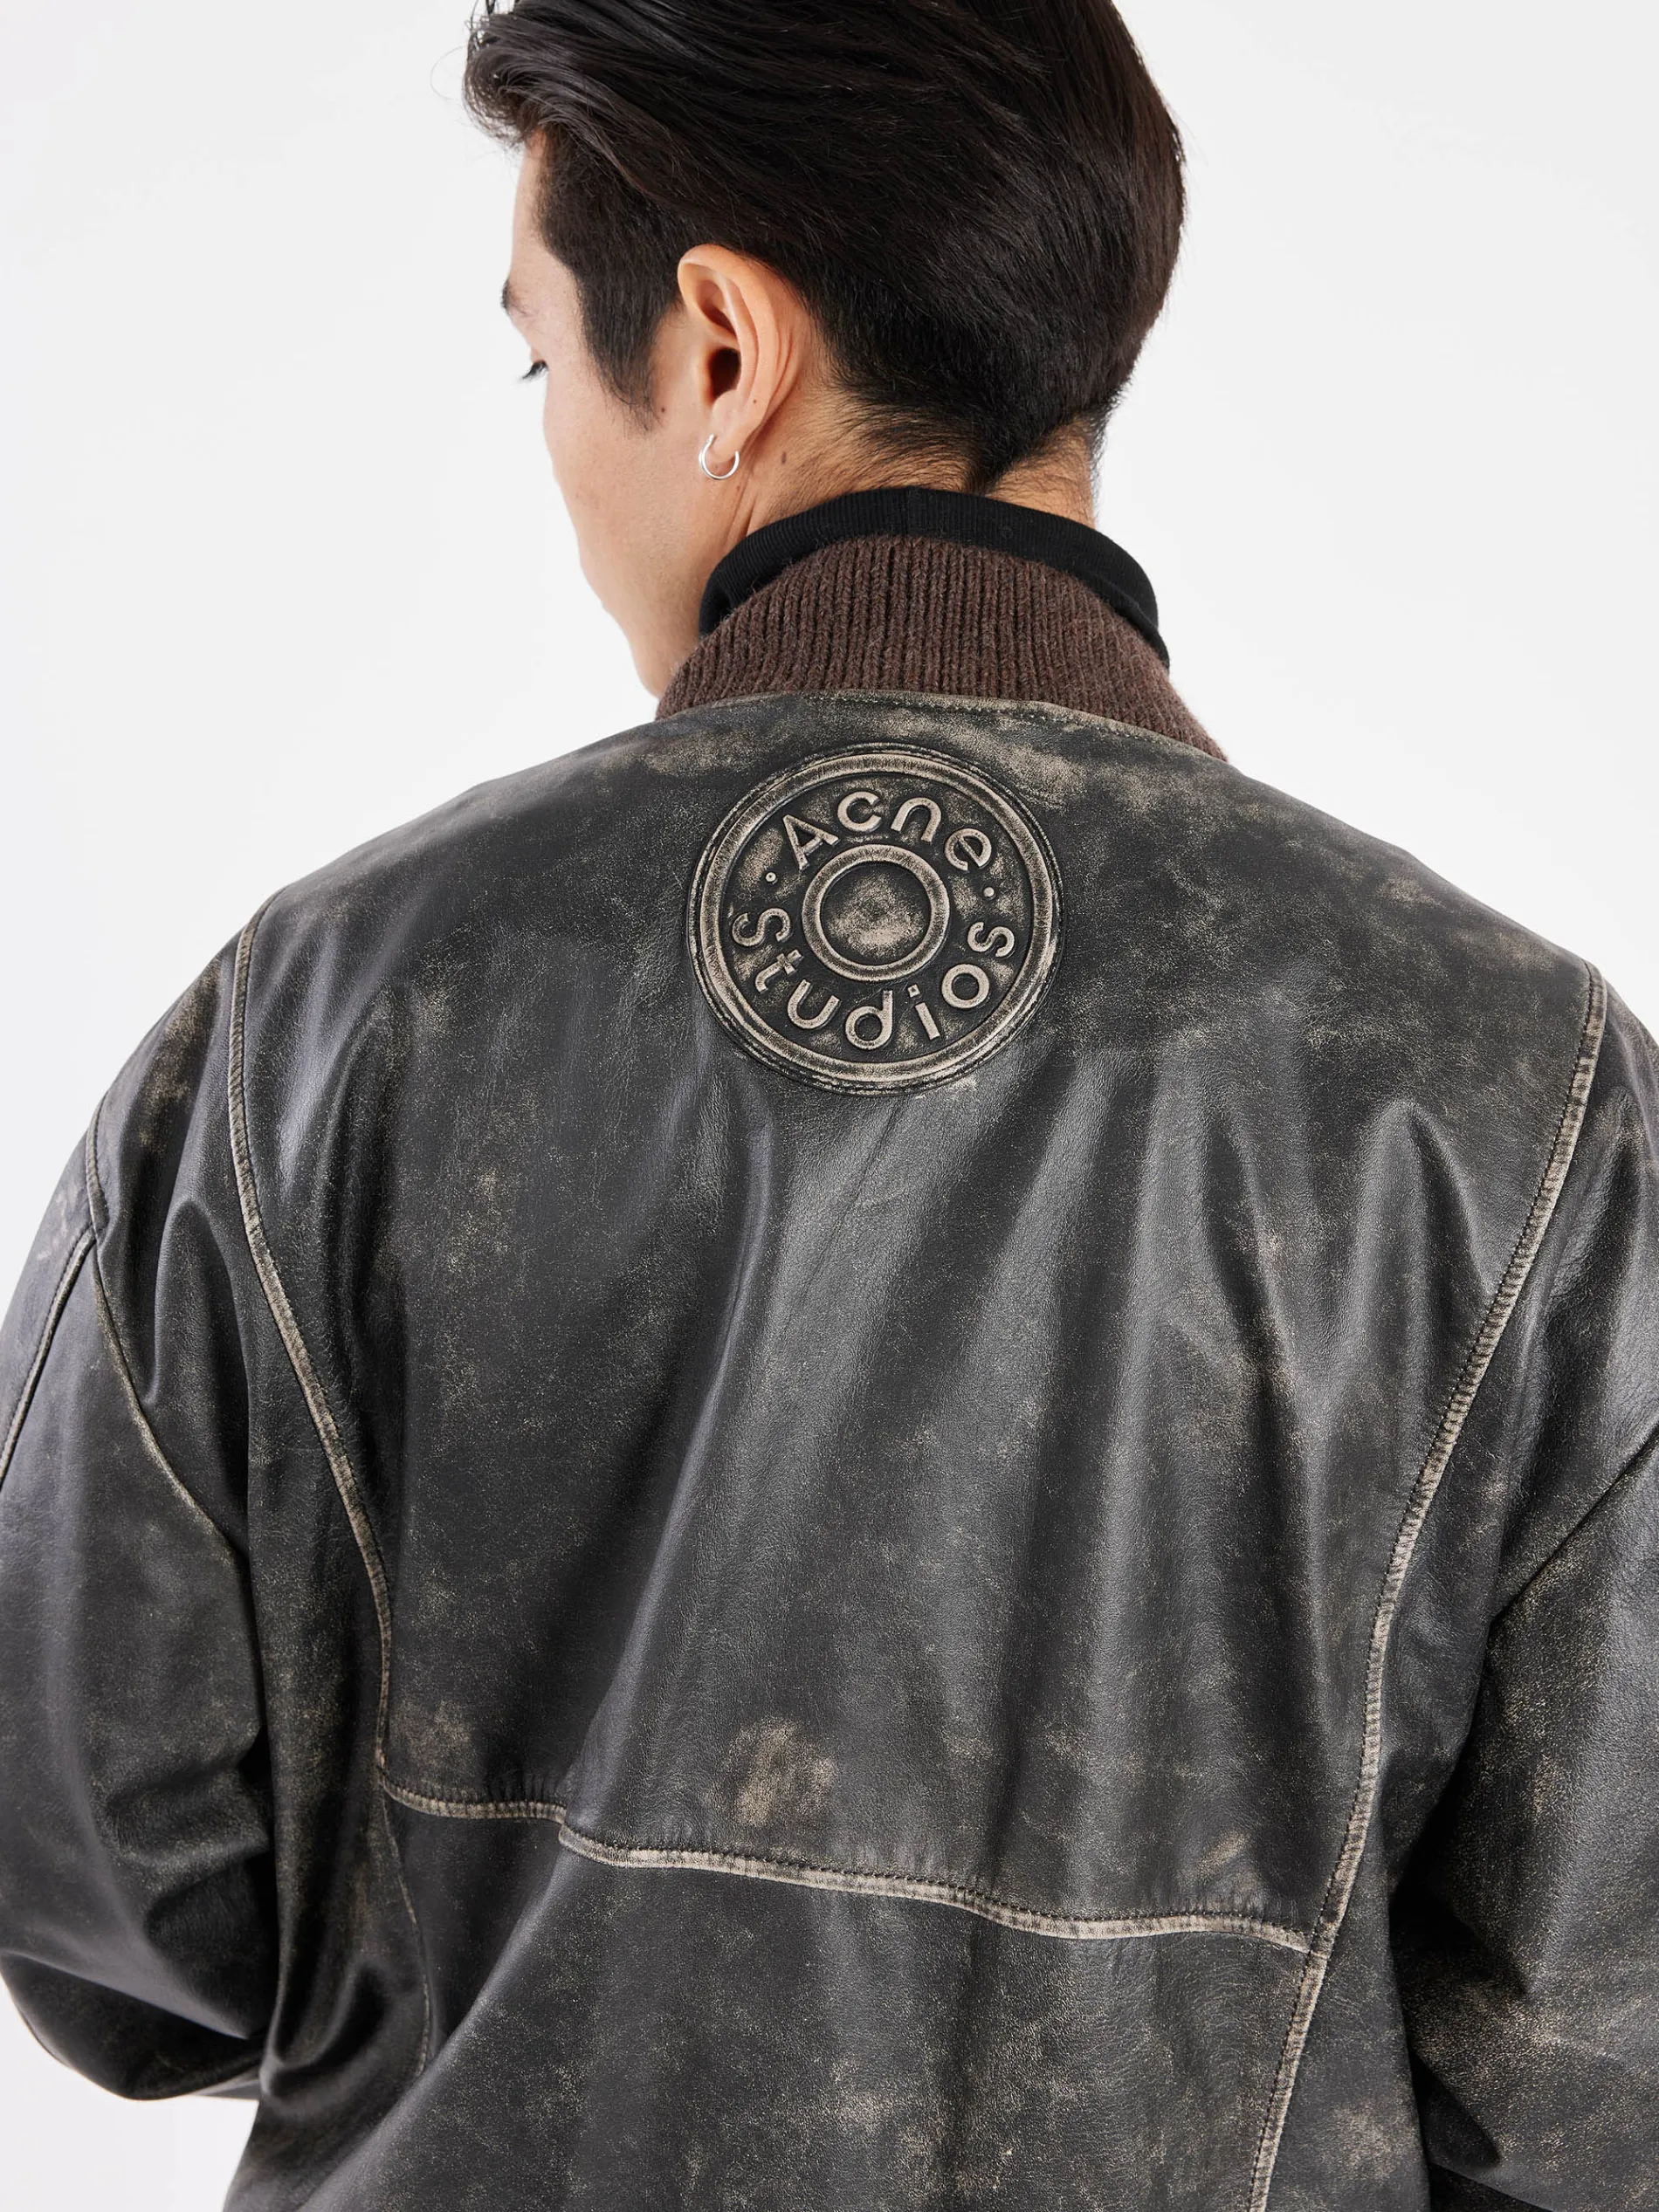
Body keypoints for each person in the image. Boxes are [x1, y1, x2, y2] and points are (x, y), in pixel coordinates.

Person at [0, 1, 1655, 2206]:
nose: (551, 438)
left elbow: (117, 1909)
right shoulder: (1519, 1089)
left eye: (535, 359)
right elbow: (1594, 2067)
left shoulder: (328, 1013)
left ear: (718, 350)